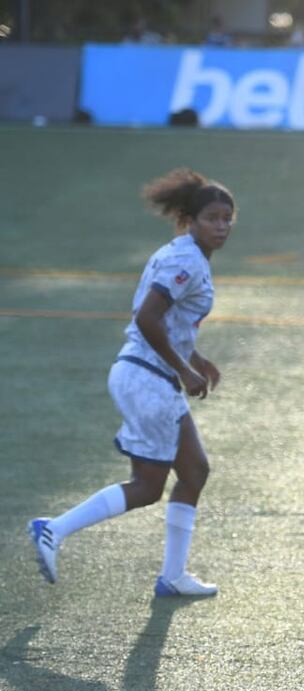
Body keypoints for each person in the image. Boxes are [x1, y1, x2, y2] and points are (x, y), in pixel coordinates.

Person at [28, 169, 234, 597]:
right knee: (147, 487)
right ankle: (54, 529)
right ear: (191, 219)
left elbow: (166, 319)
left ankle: (173, 577)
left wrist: (195, 357)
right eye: (212, 217)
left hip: (145, 374)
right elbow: (146, 318)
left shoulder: (181, 253)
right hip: (147, 378)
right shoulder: (185, 260)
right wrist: (183, 369)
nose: (221, 226)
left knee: (194, 471)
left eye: (227, 218)